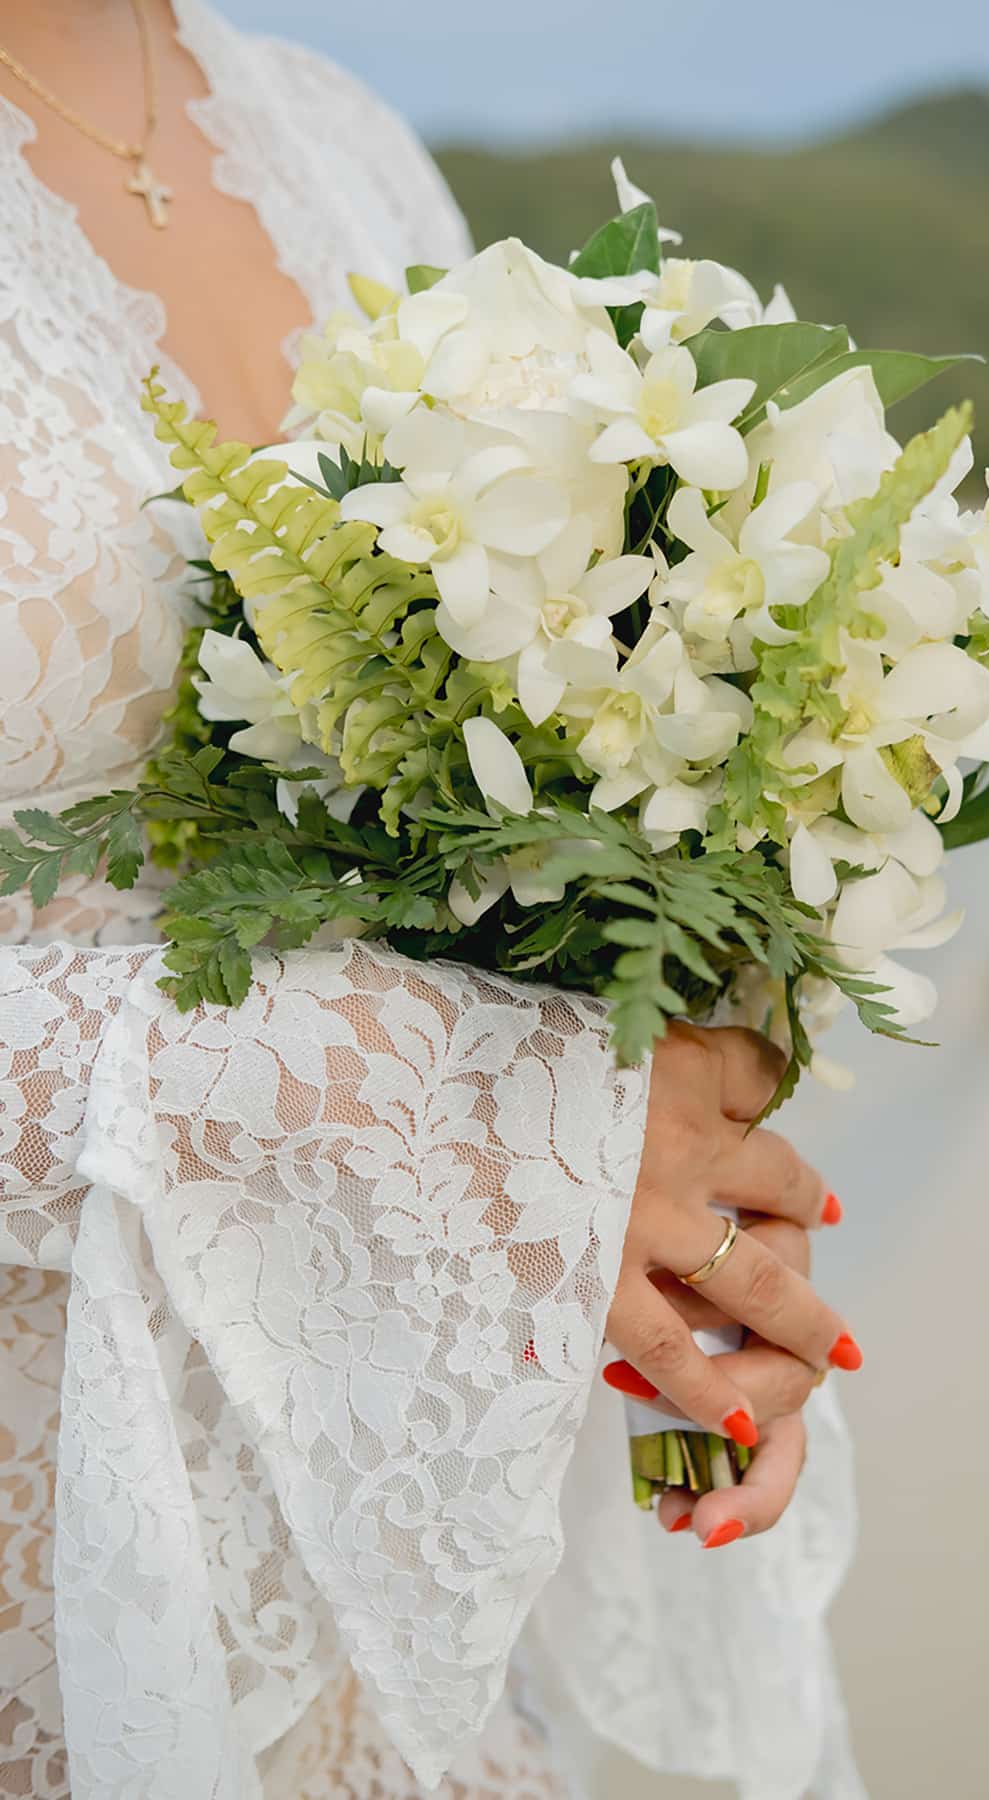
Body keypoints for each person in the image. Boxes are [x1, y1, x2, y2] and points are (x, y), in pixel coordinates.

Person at [0, 4, 865, 1796]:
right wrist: (455, 1107)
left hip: (377, 1523)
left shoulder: (338, 141)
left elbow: (530, 789)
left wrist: (670, 1154)